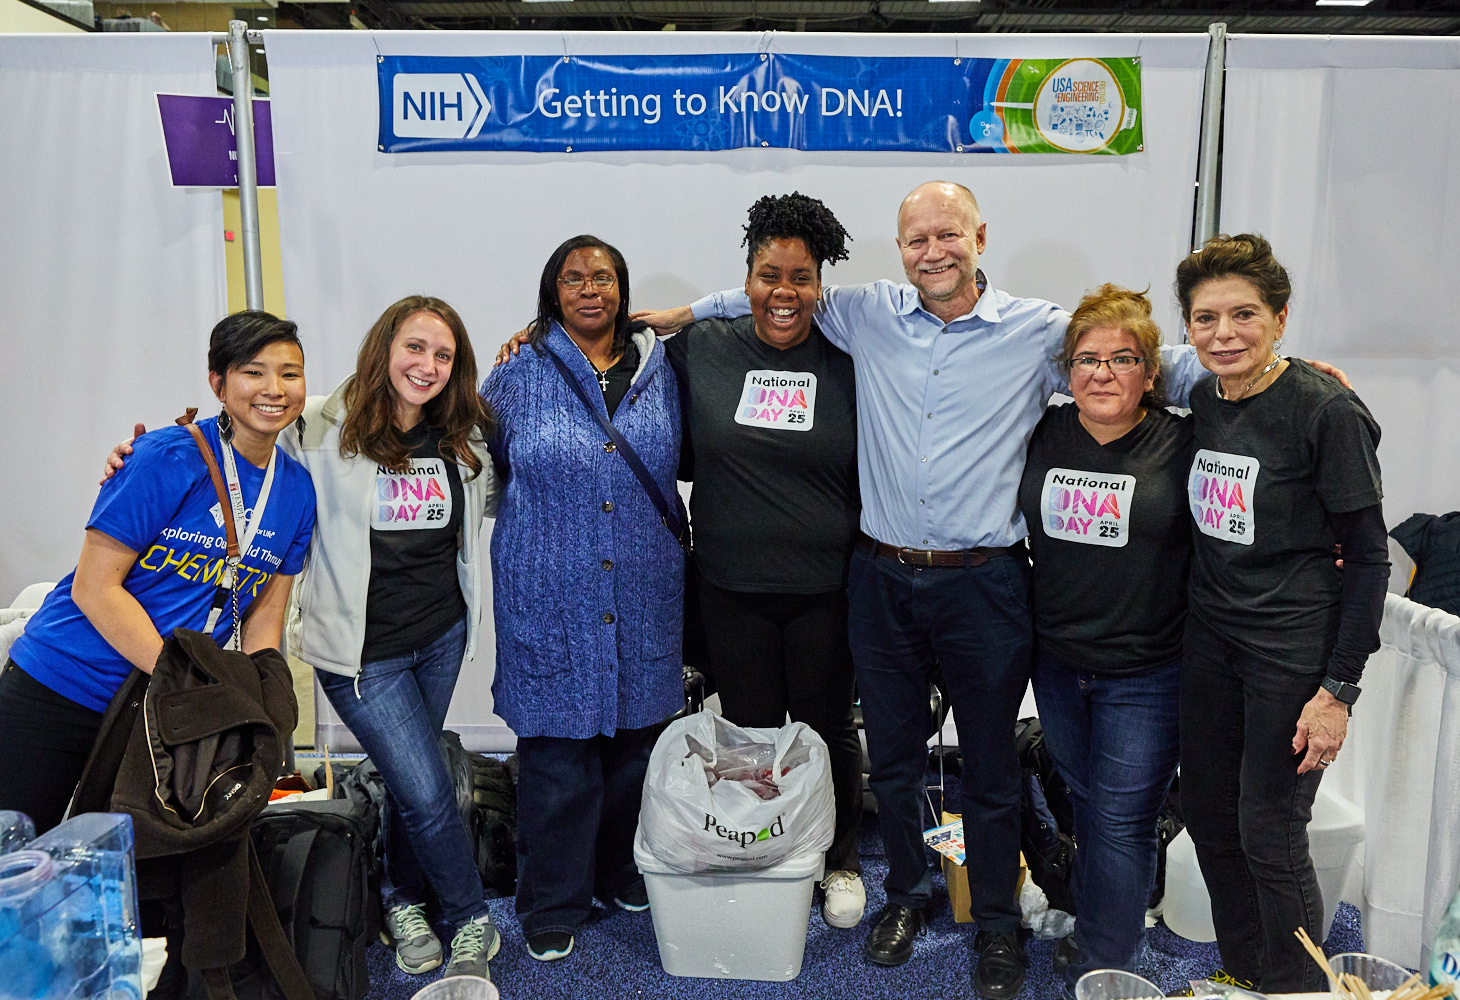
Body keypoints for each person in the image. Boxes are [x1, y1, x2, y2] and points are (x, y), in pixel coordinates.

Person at [637, 181, 1208, 997]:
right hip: (880, 575)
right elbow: (778, 288)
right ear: (899, 250)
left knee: (988, 765)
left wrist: (1254, 377)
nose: (932, 252)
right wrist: (687, 315)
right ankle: (907, 893)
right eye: (916, 240)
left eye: (948, 235)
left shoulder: (1038, 331)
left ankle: (998, 922)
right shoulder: (866, 312)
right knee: (896, 760)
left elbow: (1143, 357)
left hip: (987, 583)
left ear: (981, 236)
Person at [105, 296, 504, 981]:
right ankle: (471, 915)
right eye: (415, 348)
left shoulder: (462, 439)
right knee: (431, 789)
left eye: (443, 356)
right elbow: (241, 432)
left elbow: (492, 508)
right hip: (360, 655)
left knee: (415, 786)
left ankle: (402, 898)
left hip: (439, 638)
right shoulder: (320, 422)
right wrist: (139, 453)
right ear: (384, 349)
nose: (427, 366)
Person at [0, 310, 317, 835]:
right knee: (11, 867)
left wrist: (263, 695)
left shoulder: (296, 490)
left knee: (123, 879)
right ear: (218, 384)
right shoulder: (164, 457)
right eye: (254, 371)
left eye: (290, 373)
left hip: (156, 716)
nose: (274, 388)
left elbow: (265, 610)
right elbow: (94, 587)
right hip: (59, 692)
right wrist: (186, 680)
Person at [1174, 234, 1387, 993]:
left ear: (1281, 318)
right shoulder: (1204, 396)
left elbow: (1368, 558)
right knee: (1208, 815)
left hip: (1291, 654)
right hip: (1211, 641)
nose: (1223, 333)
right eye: (1205, 318)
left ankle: (1297, 989)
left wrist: (1338, 692)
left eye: (1244, 315)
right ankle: (1248, 971)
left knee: (1269, 833)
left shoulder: (1324, 411)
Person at [665, 193, 866, 926]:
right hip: (729, 583)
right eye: (768, 275)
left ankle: (838, 859)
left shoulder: (851, 354)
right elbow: (603, 352)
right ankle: (765, 849)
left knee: (824, 728)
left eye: (800, 278)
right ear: (746, 277)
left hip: (827, 585)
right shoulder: (703, 347)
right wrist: (532, 333)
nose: (783, 294)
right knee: (748, 730)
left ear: (821, 283)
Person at [482, 235, 684, 963]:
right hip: (549, 592)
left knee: (636, 749)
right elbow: (475, 463)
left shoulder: (665, 369)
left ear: (623, 290)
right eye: (574, 278)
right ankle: (552, 900)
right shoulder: (516, 374)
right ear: (552, 290)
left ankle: (619, 870)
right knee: (557, 759)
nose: (590, 288)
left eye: (603, 276)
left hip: (644, 589)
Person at [1019, 285, 1194, 992]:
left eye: (1122, 359)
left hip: (1148, 672)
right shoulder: (1043, 433)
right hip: (1059, 665)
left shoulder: (1184, 441)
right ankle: (1103, 921)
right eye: (1087, 359)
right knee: (1090, 807)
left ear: (1151, 373)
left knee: (1123, 819)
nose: (1102, 373)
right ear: (1067, 371)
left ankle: (1109, 963)